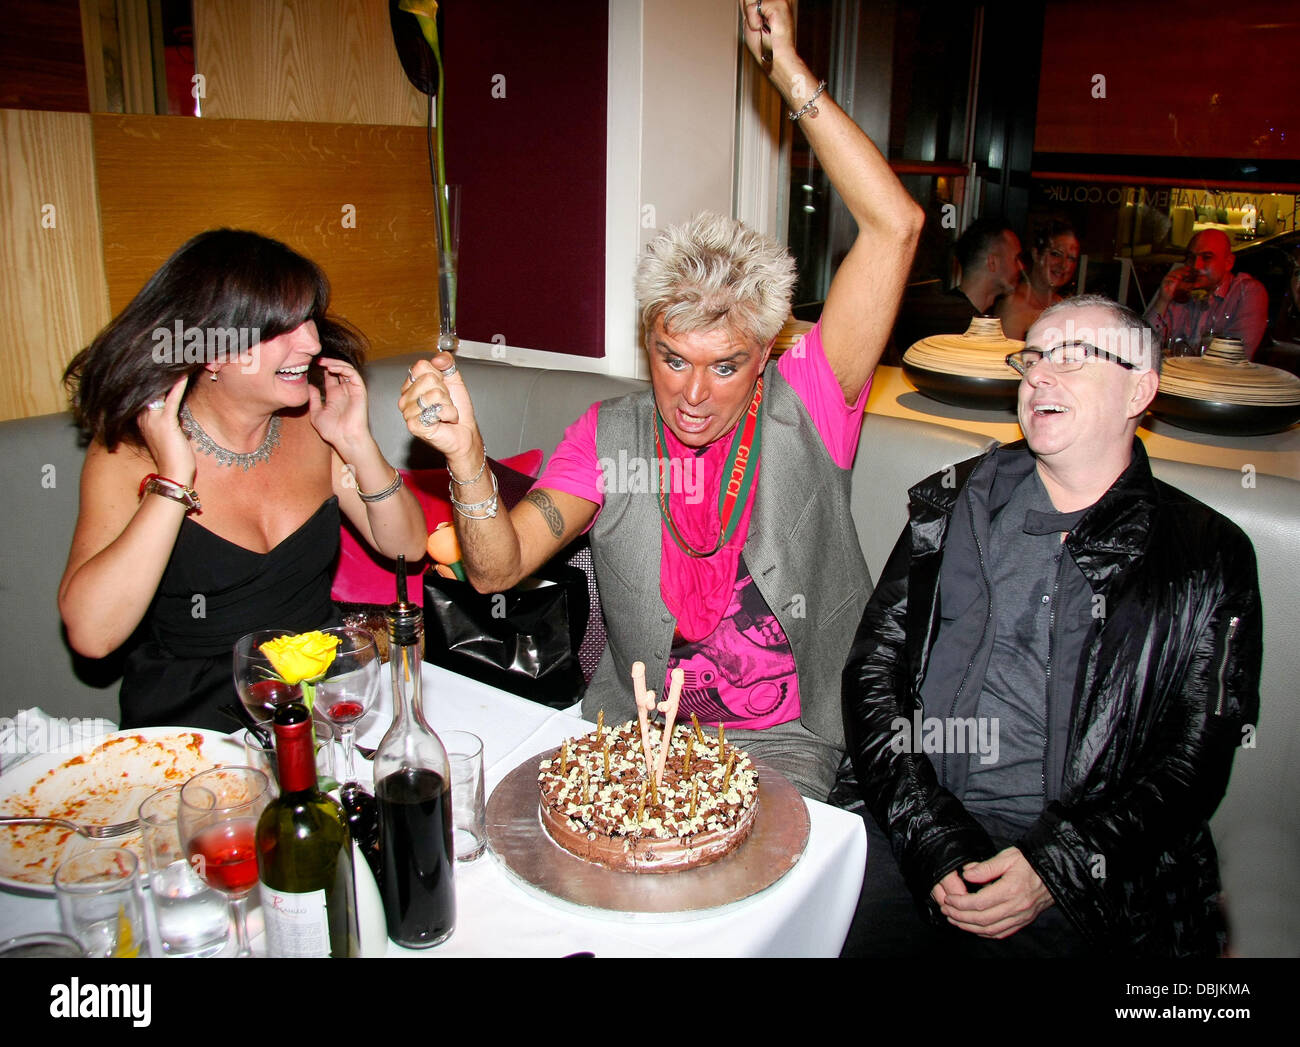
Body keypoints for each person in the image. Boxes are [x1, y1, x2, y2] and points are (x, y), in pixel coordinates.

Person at [399, 0, 923, 800]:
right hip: (634, 731)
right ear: (649, 339)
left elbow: (895, 226)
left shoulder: (811, 398)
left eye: (725, 365)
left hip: (781, 741)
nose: (691, 393)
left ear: (766, 357)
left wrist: (786, 69)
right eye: (672, 358)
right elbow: (496, 570)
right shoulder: (612, 435)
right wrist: (467, 457)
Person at [842, 295, 1261, 957]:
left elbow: (1194, 760)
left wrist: (1056, 865)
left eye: (1072, 359)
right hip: (921, 823)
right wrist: (929, 835)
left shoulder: (1206, 552)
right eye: (1032, 358)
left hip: (1097, 864)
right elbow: (873, 675)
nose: (1039, 376)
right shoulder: (949, 504)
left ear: (1139, 391)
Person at [59, 230, 428, 731]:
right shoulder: (129, 454)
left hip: (319, 699)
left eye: (310, 320)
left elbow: (405, 545)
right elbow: (93, 635)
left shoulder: (312, 426)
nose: (313, 342)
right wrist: (173, 478)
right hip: (195, 726)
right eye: (283, 328)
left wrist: (357, 442)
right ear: (211, 350)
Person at [891, 218, 1021, 353]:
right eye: (1016, 259)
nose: (1021, 267)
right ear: (992, 263)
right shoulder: (956, 326)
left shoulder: (948, 313)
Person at [1145, 228, 1268, 357]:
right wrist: (1162, 301)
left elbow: (1235, 357)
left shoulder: (1246, 293)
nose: (1196, 266)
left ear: (1228, 263)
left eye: (1206, 257)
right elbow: (1139, 345)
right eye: (1191, 258)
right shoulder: (1182, 290)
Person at [995, 219, 1079, 339]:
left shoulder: (1062, 305)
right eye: (1055, 254)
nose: (1063, 265)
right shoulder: (1013, 304)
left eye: (1071, 258)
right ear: (1036, 254)